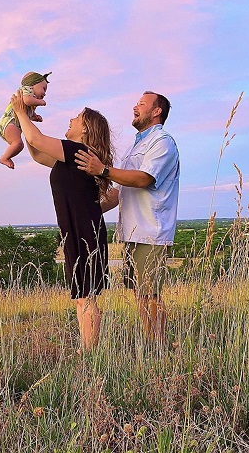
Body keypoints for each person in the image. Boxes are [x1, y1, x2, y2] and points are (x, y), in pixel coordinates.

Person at [10, 89, 114, 351]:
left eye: (77, 117)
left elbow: (35, 138)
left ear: (86, 129)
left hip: (83, 233)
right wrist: (26, 117)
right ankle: (86, 350)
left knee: (86, 297)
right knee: (81, 297)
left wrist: (21, 112)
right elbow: (35, 151)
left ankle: (90, 355)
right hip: (78, 231)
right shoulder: (72, 157)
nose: (71, 118)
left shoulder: (77, 149)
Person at [74, 91, 179, 343]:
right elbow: (118, 193)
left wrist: (102, 169)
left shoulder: (162, 142)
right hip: (133, 231)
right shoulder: (136, 145)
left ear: (157, 112)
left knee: (150, 293)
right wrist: (83, 213)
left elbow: (144, 179)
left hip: (151, 231)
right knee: (139, 293)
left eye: (142, 104)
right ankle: (153, 343)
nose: (135, 106)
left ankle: (160, 347)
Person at [0, 71, 52, 169]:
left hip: (13, 125)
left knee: (19, 145)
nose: (44, 93)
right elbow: (27, 100)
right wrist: (40, 102)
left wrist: (34, 117)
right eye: (43, 89)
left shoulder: (30, 103)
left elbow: (25, 114)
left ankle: (6, 156)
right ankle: (4, 158)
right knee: (18, 143)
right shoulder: (27, 90)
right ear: (32, 84)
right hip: (10, 122)